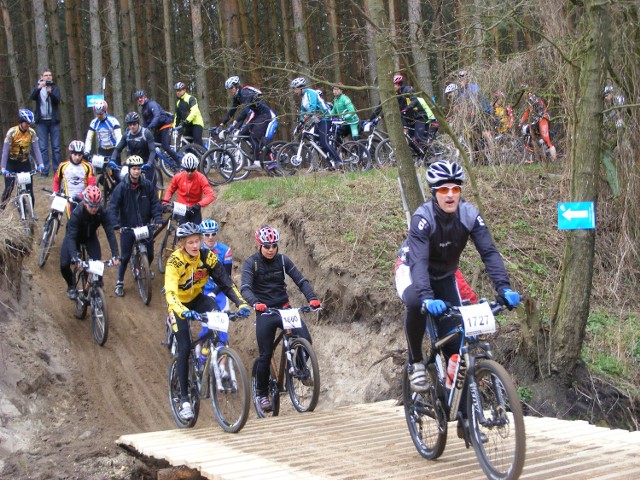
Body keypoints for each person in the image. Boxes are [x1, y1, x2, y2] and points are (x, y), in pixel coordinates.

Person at [394, 160, 520, 396]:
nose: (450, 195)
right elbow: (419, 262)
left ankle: (463, 414)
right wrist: (427, 297)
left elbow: (489, 252)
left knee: (455, 346)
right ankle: (417, 363)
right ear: (434, 193)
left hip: (444, 275)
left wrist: (503, 288)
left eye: (455, 189)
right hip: (411, 270)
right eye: (443, 190)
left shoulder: (470, 214)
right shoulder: (423, 218)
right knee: (414, 303)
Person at [164, 222, 250, 421]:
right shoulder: (174, 262)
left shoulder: (207, 257)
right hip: (178, 304)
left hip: (198, 299)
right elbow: (170, 292)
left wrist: (241, 304)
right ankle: (185, 399)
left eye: (197, 241)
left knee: (214, 310)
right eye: (190, 242)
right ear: (181, 244)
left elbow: (226, 283)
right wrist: (183, 311)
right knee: (184, 346)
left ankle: (209, 350)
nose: (195, 246)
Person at [240, 225, 321, 413]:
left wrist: (312, 298)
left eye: (274, 245)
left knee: (305, 339)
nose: (270, 249)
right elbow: (245, 287)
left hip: (285, 309)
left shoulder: (283, 261)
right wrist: (255, 303)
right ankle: (261, 393)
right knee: (265, 355)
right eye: (267, 246)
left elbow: (300, 280)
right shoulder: (251, 263)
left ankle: (300, 369)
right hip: (265, 311)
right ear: (259, 246)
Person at [108, 155, 163, 297]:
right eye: (134, 169)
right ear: (129, 169)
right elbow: (113, 207)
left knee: (150, 254)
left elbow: (155, 204)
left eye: (138, 169)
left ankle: (143, 266)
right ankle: (119, 282)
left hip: (145, 226)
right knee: (125, 257)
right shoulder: (121, 188)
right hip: (128, 227)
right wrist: (116, 224)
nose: (136, 172)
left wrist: (157, 218)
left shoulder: (148, 186)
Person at [60, 186, 120, 300]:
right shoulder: (77, 214)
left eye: (97, 205)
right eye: (91, 206)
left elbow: (110, 233)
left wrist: (115, 254)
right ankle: (71, 286)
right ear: (85, 203)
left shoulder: (102, 212)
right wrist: (74, 257)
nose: (94, 209)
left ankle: (98, 290)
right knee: (64, 264)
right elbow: (71, 237)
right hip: (74, 237)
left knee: (98, 264)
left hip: (90, 237)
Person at [220, 76, 279, 171]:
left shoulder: (245, 93)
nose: (230, 91)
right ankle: (258, 150)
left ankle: (257, 163)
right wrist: (223, 123)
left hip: (264, 115)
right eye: (229, 89)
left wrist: (235, 122)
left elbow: (245, 111)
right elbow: (232, 110)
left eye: (231, 88)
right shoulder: (237, 96)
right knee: (243, 133)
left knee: (254, 136)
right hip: (257, 115)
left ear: (236, 86)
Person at [290, 77, 341, 168]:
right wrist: (300, 123)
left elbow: (312, 108)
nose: (295, 91)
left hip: (325, 118)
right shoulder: (303, 97)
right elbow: (303, 112)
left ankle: (338, 161)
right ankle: (330, 163)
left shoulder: (311, 93)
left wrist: (304, 119)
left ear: (301, 88)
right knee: (318, 143)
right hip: (318, 120)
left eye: (295, 89)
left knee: (324, 141)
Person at [1, 109, 45, 208]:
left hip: (24, 162)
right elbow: (5, 151)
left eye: (29, 123)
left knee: (30, 190)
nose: (28, 125)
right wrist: (3, 168)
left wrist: (41, 164)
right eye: (26, 123)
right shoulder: (12, 132)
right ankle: (2, 210)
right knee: (9, 188)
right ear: (21, 121)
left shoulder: (31, 133)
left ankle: (31, 213)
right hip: (11, 162)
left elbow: (36, 149)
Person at [162, 153, 214, 225]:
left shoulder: (201, 178)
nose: (189, 173)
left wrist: (199, 204)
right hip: (181, 209)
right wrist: (165, 203)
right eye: (187, 170)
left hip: (195, 209)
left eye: (192, 170)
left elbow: (210, 195)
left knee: (197, 233)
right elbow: (170, 191)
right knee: (183, 232)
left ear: (195, 168)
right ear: (183, 168)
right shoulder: (177, 177)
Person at [29, 69, 62, 177]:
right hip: (41, 122)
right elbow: (32, 97)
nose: (48, 77)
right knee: (43, 147)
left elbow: (57, 100)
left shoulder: (54, 88)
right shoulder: (38, 88)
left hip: (53, 121)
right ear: (41, 77)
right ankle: (44, 171)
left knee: (56, 147)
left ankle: (57, 171)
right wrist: (39, 88)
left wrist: (50, 93)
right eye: (46, 75)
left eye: (50, 75)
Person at [111, 111, 157, 186]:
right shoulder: (127, 135)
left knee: (149, 185)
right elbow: (117, 149)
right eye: (129, 124)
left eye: (134, 124)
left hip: (146, 161)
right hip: (133, 162)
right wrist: (112, 159)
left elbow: (152, 151)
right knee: (122, 178)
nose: (132, 126)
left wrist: (149, 163)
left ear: (138, 123)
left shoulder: (146, 133)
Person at [134, 90, 180, 164]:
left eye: (141, 97)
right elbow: (145, 123)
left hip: (166, 124)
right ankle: (155, 166)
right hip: (158, 128)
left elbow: (157, 116)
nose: (139, 99)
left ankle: (179, 162)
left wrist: (150, 127)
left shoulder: (151, 104)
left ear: (145, 97)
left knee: (165, 146)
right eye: (138, 98)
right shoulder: (143, 109)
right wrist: (141, 132)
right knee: (152, 145)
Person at [52, 140, 96, 217]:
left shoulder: (88, 166)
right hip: (68, 198)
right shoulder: (63, 165)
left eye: (79, 155)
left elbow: (91, 184)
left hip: (83, 197)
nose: (77, 157)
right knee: (71, 219)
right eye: (75, 154)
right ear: (71, 153)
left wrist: (82, 195)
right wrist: (56, 192)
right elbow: (56, 180)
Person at [200, 219, 233, 312]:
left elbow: (227, 276)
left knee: (222, 323)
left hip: (220, 291)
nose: (210, 237)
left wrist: (214, 293)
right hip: (203, 290)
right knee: (206, 323)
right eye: (207, 234)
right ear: (202, 235)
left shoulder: (226, 250)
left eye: (213, 234)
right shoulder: (196, 250)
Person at [518, 87, 557, 161]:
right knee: (530, 132)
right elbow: (529, 111)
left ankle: (554, 158)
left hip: (543, 119)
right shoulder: (534, 98)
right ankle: (535, 154)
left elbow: (528, 111)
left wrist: (521, 121)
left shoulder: (532, 98)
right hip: (539, 119)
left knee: (547, 139)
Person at [173, 82, 204, 147]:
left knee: (197, 143)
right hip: (187, 126)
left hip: (196, 124)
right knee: (185, 145)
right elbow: (177, 117)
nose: (178, 92)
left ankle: (205, 156)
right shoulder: (178, 103)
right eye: (176, 90)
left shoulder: (191, 98)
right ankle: (193, 156)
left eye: (179, 90)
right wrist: (174, 128)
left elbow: (194, 111)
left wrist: (187, 120)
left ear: (184, 90)